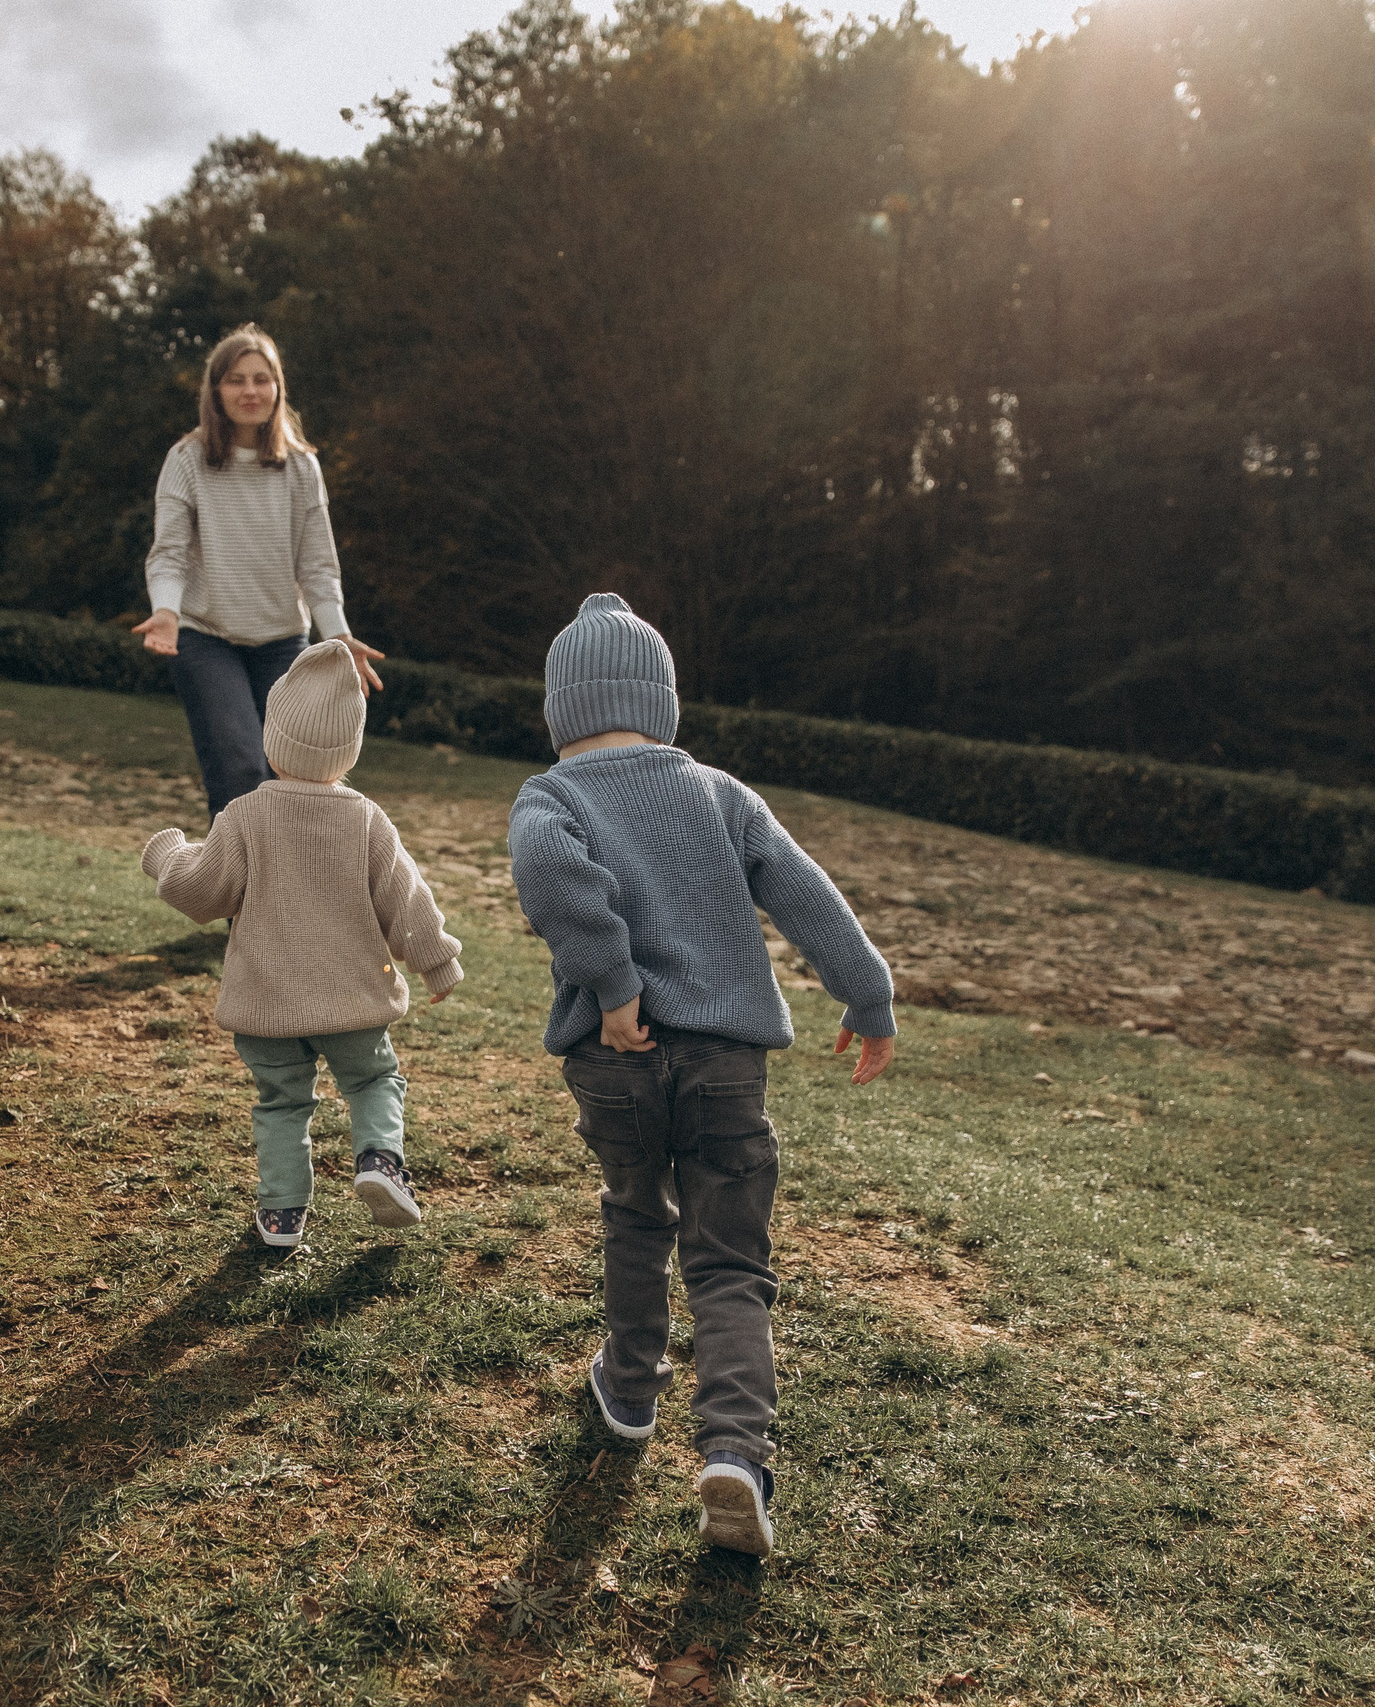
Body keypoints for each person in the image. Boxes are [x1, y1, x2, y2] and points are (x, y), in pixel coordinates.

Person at [507, 593, 898, 1560]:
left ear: (562, 710)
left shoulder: (550, 798)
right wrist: (868, 993)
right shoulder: (720, 791)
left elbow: (547, 873)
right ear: (662, 701)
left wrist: (611, 981)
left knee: (637, 1213)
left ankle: (630, 1392)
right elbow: (805, 892)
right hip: (726, 1066)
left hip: (616, 1061)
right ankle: (734, 1451)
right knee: (729, 1261)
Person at [141, 639, 462, 1247]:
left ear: (272, 738)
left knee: (282, 1104)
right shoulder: (366, 818)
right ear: (350, 752)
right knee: (373, 1082)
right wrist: (437, 962)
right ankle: (379, 1162)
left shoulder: (243, 815)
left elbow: (204, 893)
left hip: (267, 1006)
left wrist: (166, 858)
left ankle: (282, 1215)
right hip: (352, 1001)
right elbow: (406, 898)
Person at [133, 324, 387, 818]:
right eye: (235, 379)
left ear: (277, 389)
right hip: (206, 637)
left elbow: (317, 565)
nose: (249, 391)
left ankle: (277, 890)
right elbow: (169, 553)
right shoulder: (186, 460)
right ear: (215, 391)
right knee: (241, 767)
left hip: (283, 644)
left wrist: (338, 635)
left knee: (290, 780)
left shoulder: (300, 469)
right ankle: (234, 889)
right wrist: (165, 610)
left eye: (261, 379)